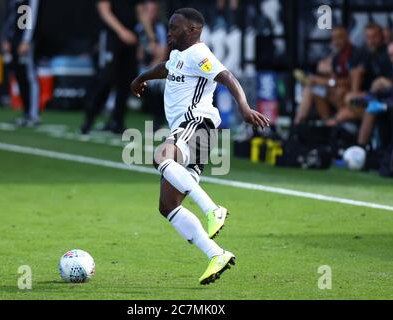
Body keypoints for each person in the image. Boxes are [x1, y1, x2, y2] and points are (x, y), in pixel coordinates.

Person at [130, 8, 270, 285]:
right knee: (168, 206)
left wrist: (243, 107)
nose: (169, 31)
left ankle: (212, 210)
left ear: (193, 30)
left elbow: (226, 76)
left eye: (175, 27)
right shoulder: (179, 56)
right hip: (191, 132)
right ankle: (216, 254)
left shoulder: (199, 54)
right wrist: (141, 78)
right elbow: (166, 69)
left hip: (196, 124)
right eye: (169, 26)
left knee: (161, 157)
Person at [80, 0, 155, 135]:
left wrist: (151, 37)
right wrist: (122, 32)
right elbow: (104, 10)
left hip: (131, 38)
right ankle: (89, 118)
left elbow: (141, 11)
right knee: (106, 79)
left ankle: (117, 121)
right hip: (111, 38)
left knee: (128, 81)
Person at [294, 27, 361, 125]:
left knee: (340, 91)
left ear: (347, 38)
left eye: (339, 38)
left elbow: (350, 81)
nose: (336, 42)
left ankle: (337, 123)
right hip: (335, 92)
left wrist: (325, 82)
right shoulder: (336, 58)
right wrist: (320, 80)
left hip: (351, 95)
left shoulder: (356, 54)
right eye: (333, 39)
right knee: (312, 90)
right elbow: (333, 79)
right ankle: (301, 123)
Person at [329, 23, 393, 125]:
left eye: (374, 37)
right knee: (346, 97)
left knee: (350, 102)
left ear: (382, 37)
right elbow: (357, 71)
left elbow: (392, 83)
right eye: (368, 37)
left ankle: (364, 125)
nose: (371, 41)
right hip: (372, 95)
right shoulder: (368, 54)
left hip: (386, 100)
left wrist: (382, 82)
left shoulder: (388, 54)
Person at [357, 41, 393, 176]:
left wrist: (385, 106)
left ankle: (361, 151)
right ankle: (362, 151)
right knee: (371, 108)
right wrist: (371, 96)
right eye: (391, 55)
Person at [2, 0, 40, 127]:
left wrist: (26, 40)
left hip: (25, 41)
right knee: (19, 75)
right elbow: (11, 18)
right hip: (15, 39)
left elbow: (31, 16)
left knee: (29, 76)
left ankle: (33, 115)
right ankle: (26, 113)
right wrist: (7, 38)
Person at [135, 0, 168, 131]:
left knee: (156, 85)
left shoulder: (160, 27)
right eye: (148, 11)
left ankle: (159, 119)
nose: (151, 14)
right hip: (141, 67)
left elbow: (163, 52)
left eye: (153, 11)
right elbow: (139, 54)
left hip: (155, 67)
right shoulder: (138, 28)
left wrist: (151, 70)